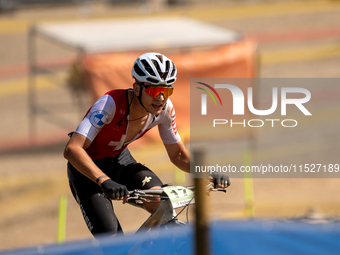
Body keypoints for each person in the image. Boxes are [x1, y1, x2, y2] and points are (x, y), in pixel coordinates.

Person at [64, 52, 230, 237]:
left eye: (166, 91)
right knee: (113, 241)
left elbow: (179, 155)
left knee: (163, 203)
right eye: (153, 90)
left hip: (119, 160)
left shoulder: (165, 109)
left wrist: (207, 173)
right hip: (87, 171)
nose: (160, 98)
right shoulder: (109, 103)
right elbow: (72, 149)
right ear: (136, 88)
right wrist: (104, 180)